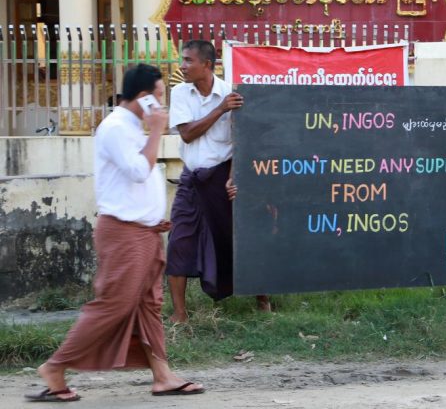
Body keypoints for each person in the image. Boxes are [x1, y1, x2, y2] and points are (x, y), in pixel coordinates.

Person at [26, 65, 204, 402]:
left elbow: (137, 180)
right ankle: (55, 367)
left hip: (144, 232)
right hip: (123, 234)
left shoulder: (133, 129)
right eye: (160, 96)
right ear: (143, 97)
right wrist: (156, 132)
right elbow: (139, 171)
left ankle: (163, 375)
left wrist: (153, 219)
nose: (163, 105)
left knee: (149, 306)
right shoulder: (115, 128)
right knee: (114, 304)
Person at [166, 40, 269, 323]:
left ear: (207, 65)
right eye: (182, 60)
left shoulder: (231, 94)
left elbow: (243, 141)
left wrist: (235, 177)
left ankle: (263, 300)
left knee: (238, 239)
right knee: (179, 241)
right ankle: (180, 314)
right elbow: (187, 134)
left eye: (188, 60)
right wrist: (220, 110)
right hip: (192, 178)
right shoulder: (181, 93)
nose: (183, 66)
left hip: (223, 177)